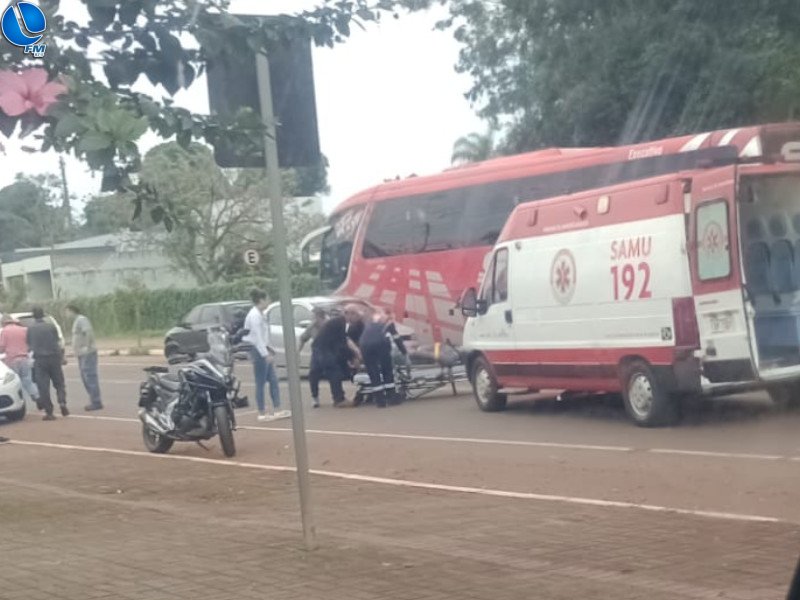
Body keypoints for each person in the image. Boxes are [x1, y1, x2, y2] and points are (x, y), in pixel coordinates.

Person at [243, 289, 287, 421]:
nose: (269, 301)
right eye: (267, 299)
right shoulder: (254, 316)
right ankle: (261, 412)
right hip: (258, 351)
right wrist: (264, 353)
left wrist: (269, 349)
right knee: (260, 382)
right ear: (261, 300)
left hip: (264, 349)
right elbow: (257, 337)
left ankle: (277, 408)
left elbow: (264, 336)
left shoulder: (261, 314)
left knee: (273, 380)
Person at [309, 308, 362, 407]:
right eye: (356, 316)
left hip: (317, 348)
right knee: (334, 372)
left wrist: (351, 355)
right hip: (324, 349)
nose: (357, 319)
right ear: (349, 314)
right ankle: (339, 399)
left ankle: (315, 398)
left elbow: (342, 342)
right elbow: (341, 343)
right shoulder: (340, 323)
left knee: (314, 373)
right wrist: (352, 357)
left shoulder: (335, 322)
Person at [359, 308, 408, 408]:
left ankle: (380, 401)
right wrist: (404, 352)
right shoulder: (388, 323)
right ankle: (391, 397)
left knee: (373, 372)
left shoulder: (370, 322)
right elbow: (397, 338)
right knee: (387, 369)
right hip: (380, 344)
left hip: (364, 346)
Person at [26, 307, 67, 420]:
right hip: (54, 357)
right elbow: (57, 341)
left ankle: (49, 412)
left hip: (40, 360)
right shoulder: (51, 326)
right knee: (59, 383)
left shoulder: (30, 329)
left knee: (43, 386)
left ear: (34, 316)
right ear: (43, 315)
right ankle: (62, 402)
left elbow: (29, 345)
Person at [65, 305, 103, 411]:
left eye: (67, 312)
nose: (66, 314)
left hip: (87, 353)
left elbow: (88, 332)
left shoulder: (82, 320)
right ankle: (93, 399)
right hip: (81, 354)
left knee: (89, 376)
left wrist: (87, 346)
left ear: (72, 311)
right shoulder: (77, 321)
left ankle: (96, 401)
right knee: (85, 377)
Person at [0, 315, 40, 407]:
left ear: (3, 323)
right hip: (25, 358)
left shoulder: (4, 332)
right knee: (27, 380)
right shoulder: (23, 329)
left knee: (15, 382)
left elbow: (1, 347)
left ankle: (20, 402)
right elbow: (30, 343)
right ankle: (37, 396)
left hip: (12, 360)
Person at [298, 307, 328, 408]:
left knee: (334, 373)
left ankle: (338, 397)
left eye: (313, 317)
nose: (312, 319)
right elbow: (303, 338)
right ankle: (315, 397)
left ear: (319, 317)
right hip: (317, 352)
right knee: (313, 374)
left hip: (329, 351)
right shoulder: (311, 327)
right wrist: (298, 351)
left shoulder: (328, 324)